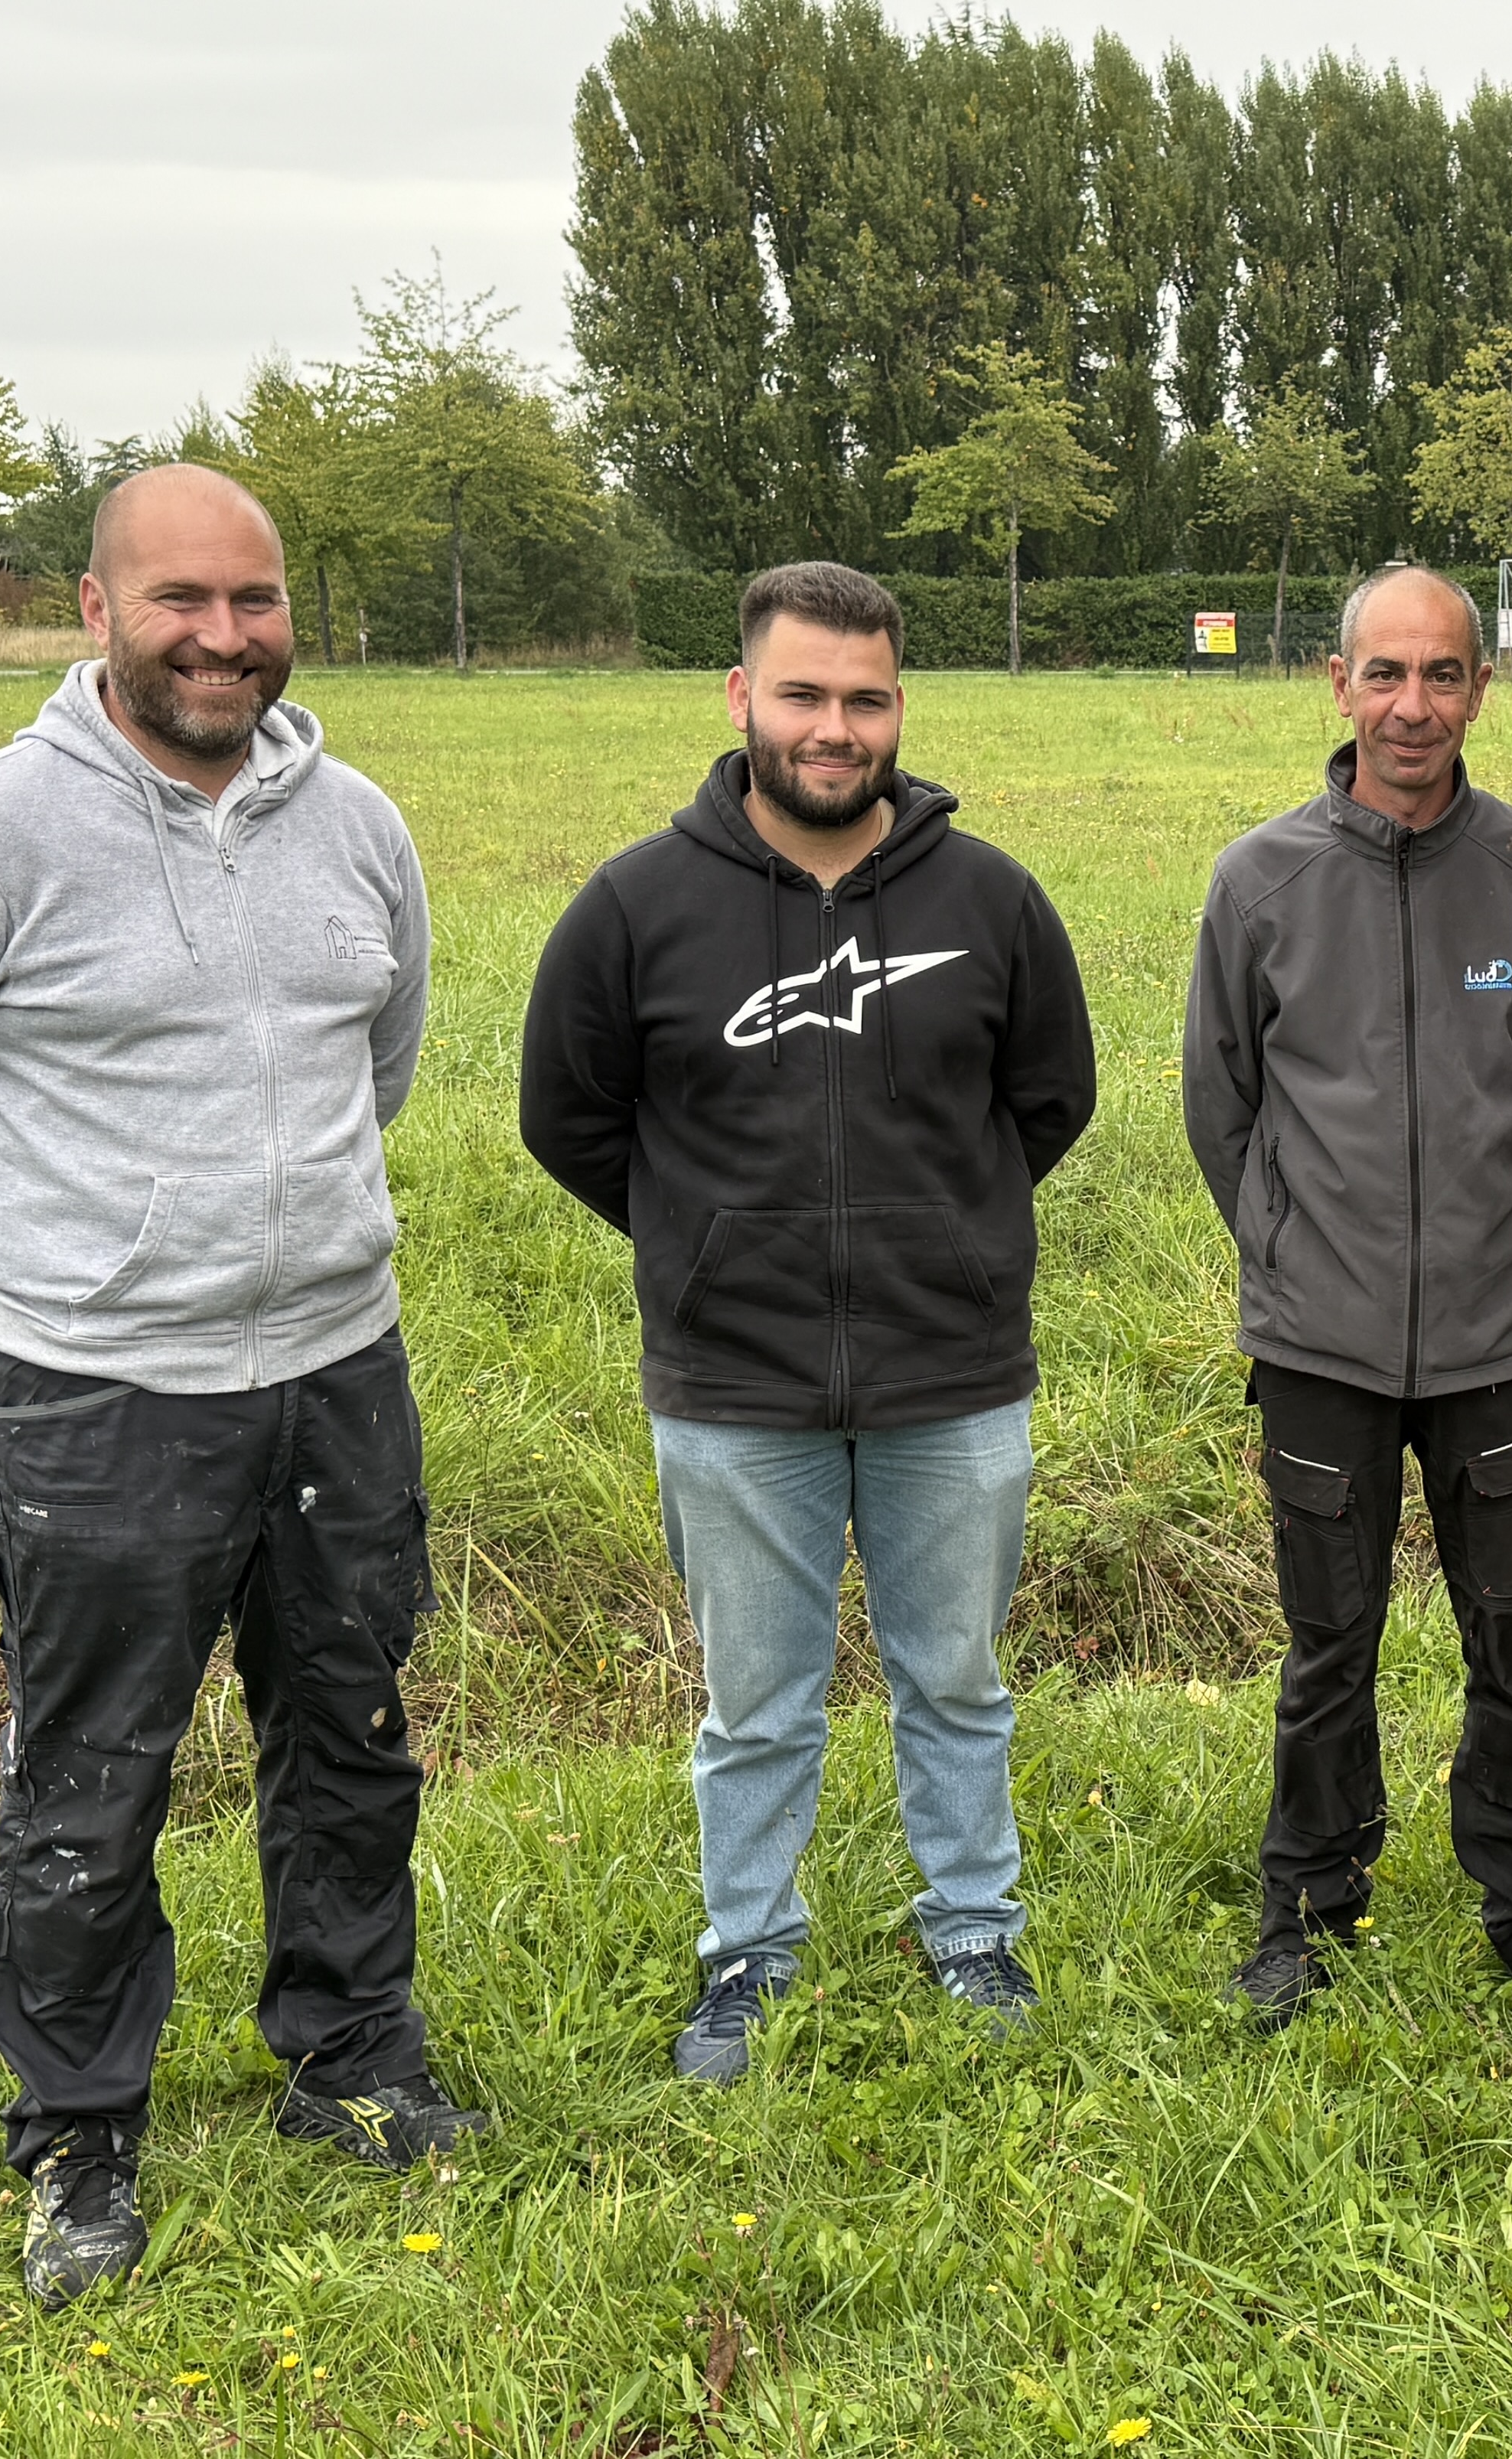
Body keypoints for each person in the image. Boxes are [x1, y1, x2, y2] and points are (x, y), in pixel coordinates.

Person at [0, 465, 485, 2311]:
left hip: (339, 1373)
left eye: (254, 598)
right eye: (180, 598)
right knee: (92, 1767)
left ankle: (349, 2053)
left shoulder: (357, 825)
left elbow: (385, 1064)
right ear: (94, 611)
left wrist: (286, 1242)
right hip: (99, 1399)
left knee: (348, 1732)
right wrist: (75, 1259)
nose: (223, 634)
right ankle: (81, 2126)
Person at [518, 563, 1097, 2079]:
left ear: (899, 704)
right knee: (756, 1703)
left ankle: (974, 1930)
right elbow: (571, 1118)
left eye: (865, 697)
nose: (835, 727)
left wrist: (941, 1239)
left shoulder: (992, 903)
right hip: (734, 1386)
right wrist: (712, 1246)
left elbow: (1050, 1099)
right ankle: (747, 1955)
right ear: (741, 699)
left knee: (955, 1679)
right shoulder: (638, 907)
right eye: (804, 695)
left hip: (951, 1376)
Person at [1182, 563, 1512, 2024]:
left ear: (1483, 689)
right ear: (1338, 683)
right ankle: (1305, 1909)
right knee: (1331, 1642)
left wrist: (1509, 1248)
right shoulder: (1260, 880)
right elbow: (1221, 1103)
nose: (1413, 704)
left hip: (1499, 1345)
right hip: (1320, 1343)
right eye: (1387, 673)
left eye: (1443, 675)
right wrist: (1297, 1251)